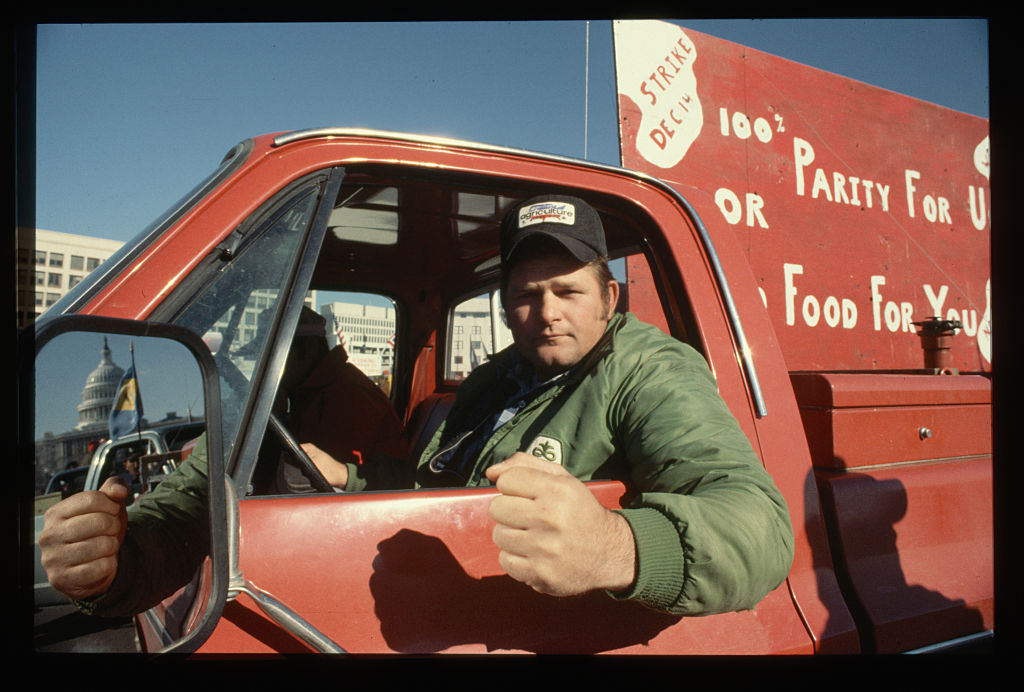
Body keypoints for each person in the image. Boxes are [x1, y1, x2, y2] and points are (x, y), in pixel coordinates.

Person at [302, 194, 795, 615]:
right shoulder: (492, 380)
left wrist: (615, 547)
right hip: (435, 596)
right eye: (527, 295)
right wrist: (348, 477)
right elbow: (436, 484)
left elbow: (762, 531)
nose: (548, 313)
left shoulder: (649, 371)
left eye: (568, 291)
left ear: (609, 297)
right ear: (504, 307)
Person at [38, 306, 405, 616]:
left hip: (350, 580)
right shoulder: (279, 401)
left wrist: (345, 475)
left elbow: (366, 508)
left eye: (267, 355)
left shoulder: (351, 402)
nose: (255, 367)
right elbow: (194, 491)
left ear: (303, 352)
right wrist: (120, 553)